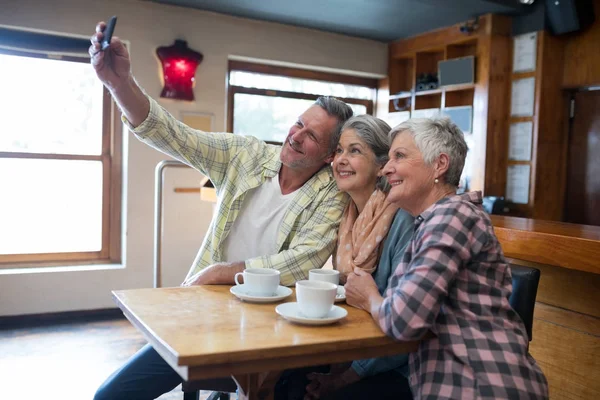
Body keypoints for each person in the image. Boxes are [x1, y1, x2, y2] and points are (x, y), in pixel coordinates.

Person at [89, 21, 352, 400]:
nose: (295, 136)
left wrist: (220, 273)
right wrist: (118, 83)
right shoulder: (245, 154)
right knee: (111, 396)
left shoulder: (330, 193)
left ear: (329, 156)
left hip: (271, 329)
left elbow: (301, 260)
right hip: (201, 314)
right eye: (298, 124)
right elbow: (173, 134)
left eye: (311, 136)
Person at [345, 118, 549, 399]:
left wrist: (368, 296)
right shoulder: (435, 219)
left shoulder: (451, 217)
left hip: (482, 387)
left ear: (440, 165)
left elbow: (403, 321)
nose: (386, 168)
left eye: (400, 156)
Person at [275, 115, 415, 400]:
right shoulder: (347, 218)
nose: (340, 160)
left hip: (400, 364)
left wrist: (347, 377)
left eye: (354, 151)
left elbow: (406, 328)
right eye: (339, 150)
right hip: (353, 346)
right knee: (288, 379)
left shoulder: (404, 221)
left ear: (381, 166)